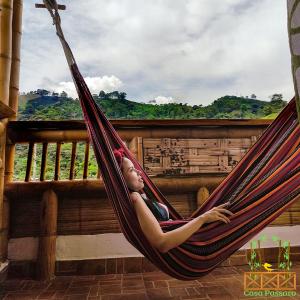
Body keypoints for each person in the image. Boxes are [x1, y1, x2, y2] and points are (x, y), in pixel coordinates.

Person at [113, 148, 234, 253]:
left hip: (192, 244)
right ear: (121, 179)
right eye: (131, 170)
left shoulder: (141, 194)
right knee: (236, 212)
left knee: (230, 209)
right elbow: (162, 243)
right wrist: (203, 218)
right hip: (193, 250)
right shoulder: (135, 197)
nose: (139, 172)